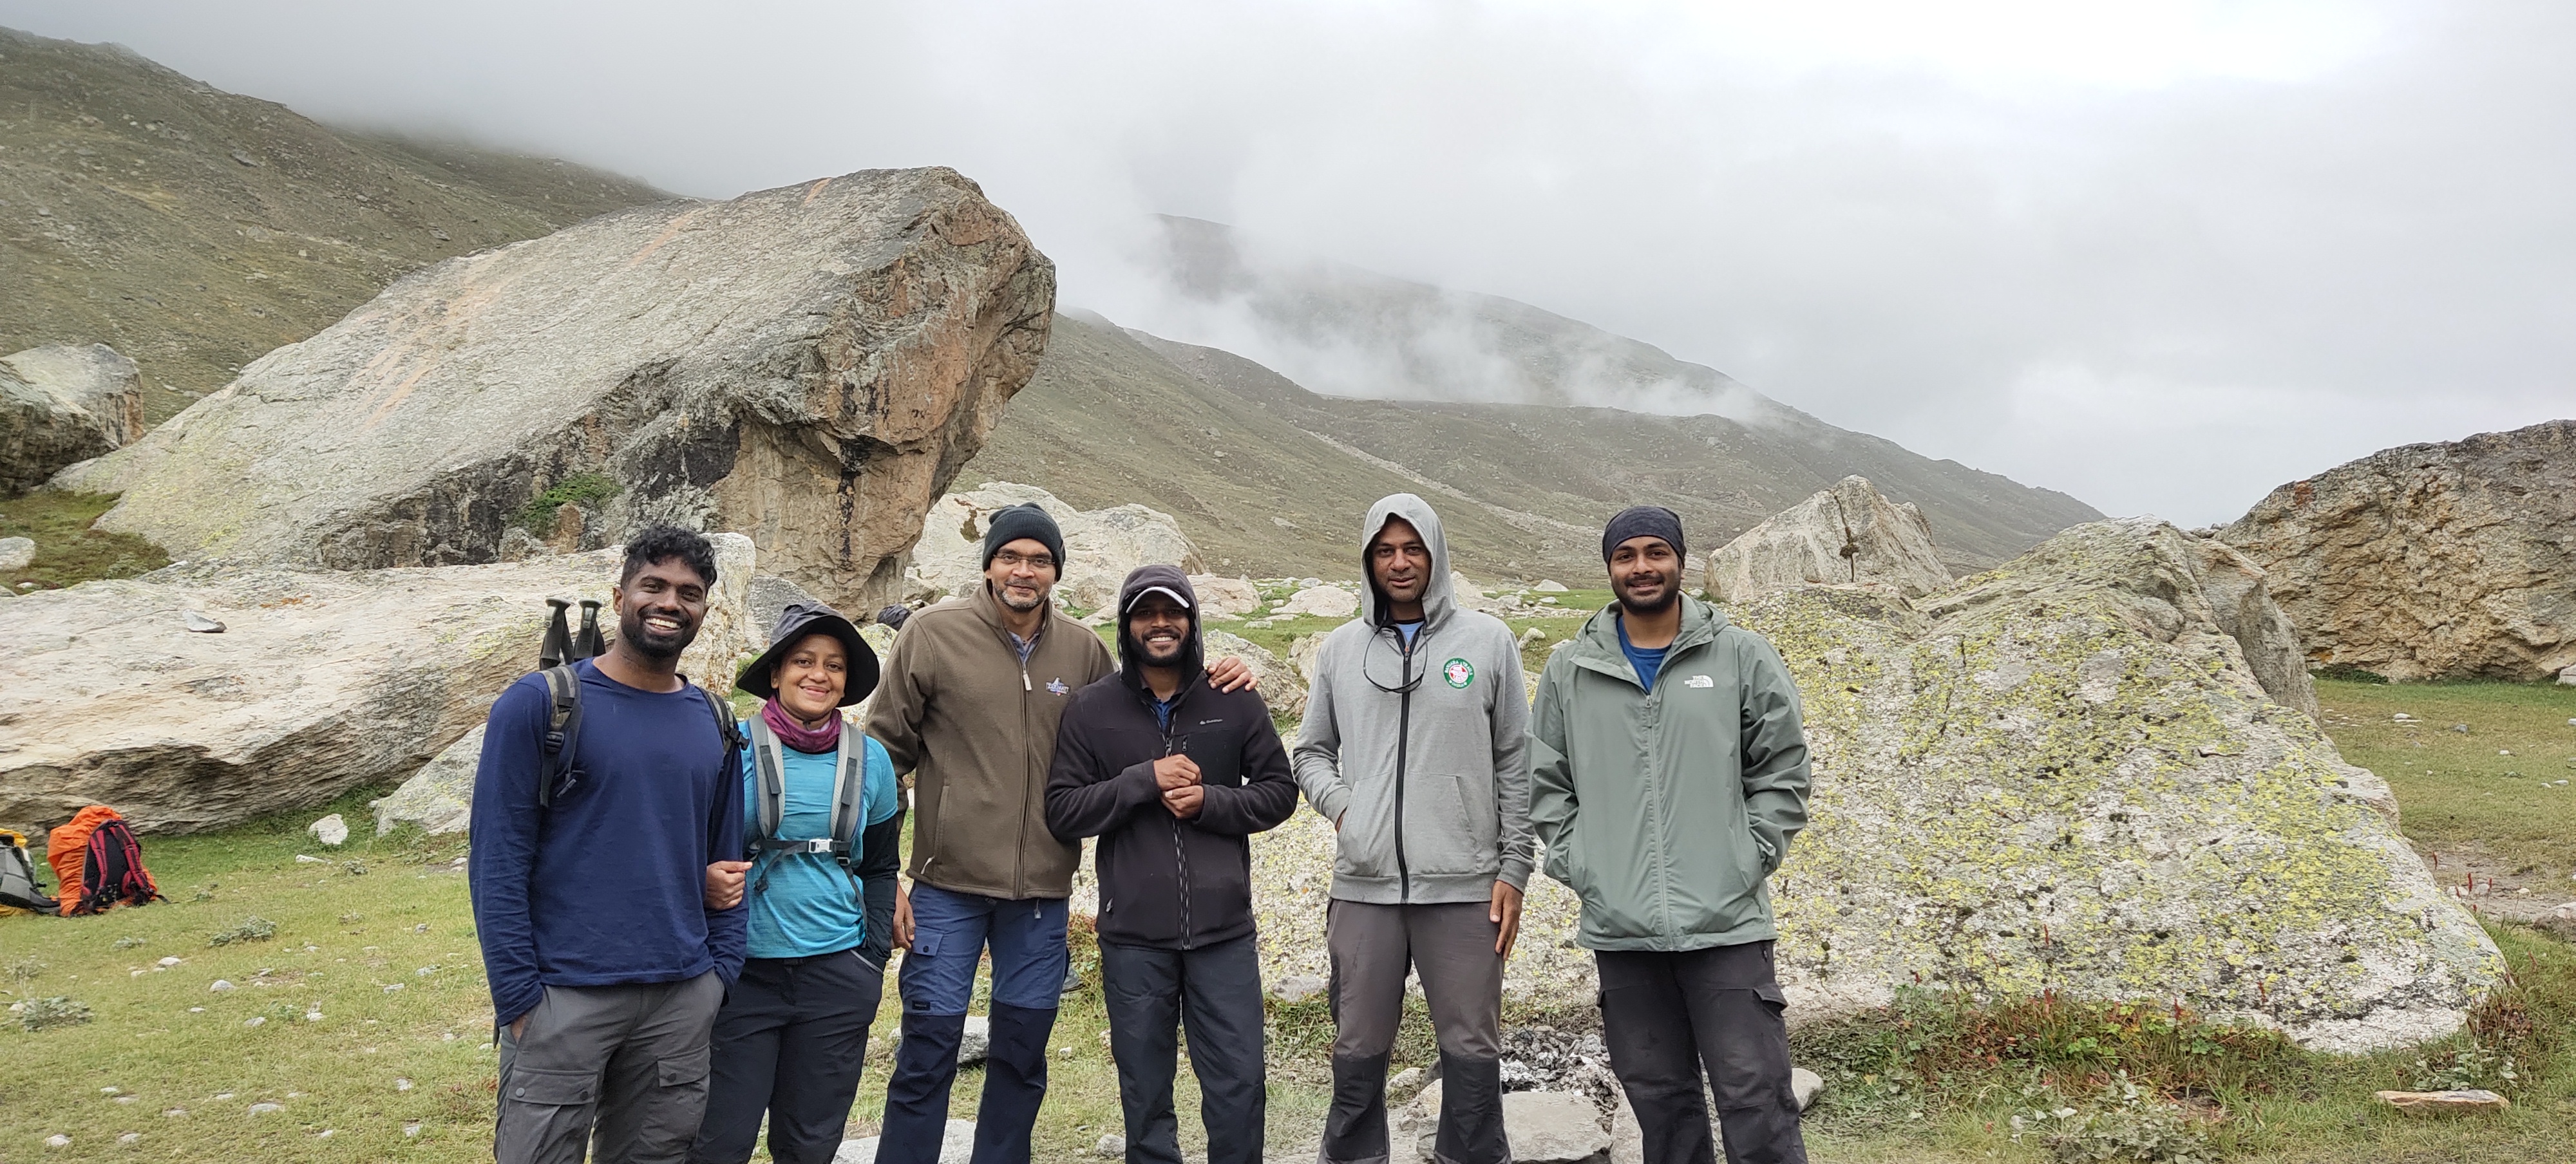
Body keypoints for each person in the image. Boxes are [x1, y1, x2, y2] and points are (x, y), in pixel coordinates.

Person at [866, 504, 1257, 1164]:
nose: (1024, 571)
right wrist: (882, 874)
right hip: (945, 888)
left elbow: (1140, 714)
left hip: (1042, 896)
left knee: (1021, 1056)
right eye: (1010, 557)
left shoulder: (1082, 650)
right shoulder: (932, 634)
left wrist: (1218, 674)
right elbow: (883, 758)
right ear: (988, 564)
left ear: (1056, 571)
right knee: (927, 1050)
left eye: (1040, 560)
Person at [1527, 507, 1814, 1164]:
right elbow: (1545, 782)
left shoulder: (1741, 655)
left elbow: (1782, 767)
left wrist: (1749, 854)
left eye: (1656, 552)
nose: (1642, 567)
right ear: (1610, 569)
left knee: (1756, 1096)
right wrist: (1583, 864)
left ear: (1681, 562)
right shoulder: (1570, 668)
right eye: (1625, 555)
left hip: (1728, 922)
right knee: (1660, 1101)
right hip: (1622, 928)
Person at [470, 525, 746, 1164]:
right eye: (654, 585)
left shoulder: (714, 721)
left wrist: (718, 979)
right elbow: (497, 862)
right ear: (619, 596)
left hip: (680, 997)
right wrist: (518, 1000)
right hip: (563, 995)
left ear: (705, 610)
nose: (670, 602)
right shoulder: (540, 705)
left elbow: (728, 860)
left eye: (689, 593)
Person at [1293, 494, 1533, 1164]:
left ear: (1436, 554)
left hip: (1466, 885)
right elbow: (1311, 751)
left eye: (1412, 548)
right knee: (1358, 1046)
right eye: (1385, 551)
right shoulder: (1341, 648)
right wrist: (1347, 809)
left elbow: (1516, 758)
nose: (1399, 563)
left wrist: (1515, 866)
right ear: (1368, 560)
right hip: (1363, 886)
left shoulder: (1488, 641)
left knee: (1471, 1048)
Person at [1045, 567, 1300, 1164]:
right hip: (1133, 938)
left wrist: (1212, 802)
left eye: (1172, 612)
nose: (1160, 624)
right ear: (1126, 624)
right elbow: (1064, 810)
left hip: (1223, 934)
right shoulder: (1091, 709)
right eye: (1145, 614)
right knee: (1145, 1092)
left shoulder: (1233, 698)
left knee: (1239, 1086)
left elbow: (1280, 792)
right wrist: (1142, 780)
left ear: (1192, 620)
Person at [688, 602, 903, 1164]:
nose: (819, 675)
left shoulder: (872, 760)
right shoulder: (727, 749)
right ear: (776, 673)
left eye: (834, 665)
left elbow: (881, 866)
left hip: (838, 973)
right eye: (803, 661)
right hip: (740, 973)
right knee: (718, 1141)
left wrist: (871, 959)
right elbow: (685, 848)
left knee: (810, 1143)